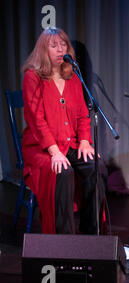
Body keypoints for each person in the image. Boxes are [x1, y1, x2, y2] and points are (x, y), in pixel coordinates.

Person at [21, 27, 108, 234]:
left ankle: (91, 233)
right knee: (63, 171)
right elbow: (36, 119)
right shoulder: (32, 78)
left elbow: (82, 114)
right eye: (54, 46)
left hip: (70, 144)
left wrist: (85, 141)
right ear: (43, 50)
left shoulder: (73, 77)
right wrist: (54, 151)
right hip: (42, 148)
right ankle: (63, 240)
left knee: (97, 167)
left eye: (63, 45)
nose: (60, 49)